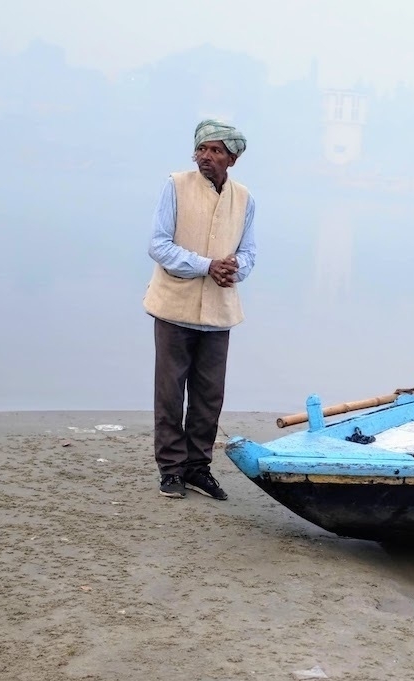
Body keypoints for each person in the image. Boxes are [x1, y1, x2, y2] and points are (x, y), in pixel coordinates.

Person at [143, 119, 256, 500]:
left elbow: (249, 253)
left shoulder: (244, 198)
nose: (205, 157)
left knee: (210, 396)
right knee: (170, 392)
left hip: (219, 312)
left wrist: (233, 269)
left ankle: (197, 468)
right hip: (174, 306)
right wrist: (207, 265)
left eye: (215, 151)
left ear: (232, 159)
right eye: (202, 150)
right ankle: (171, 470)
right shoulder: (175, 185)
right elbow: (159, 245)